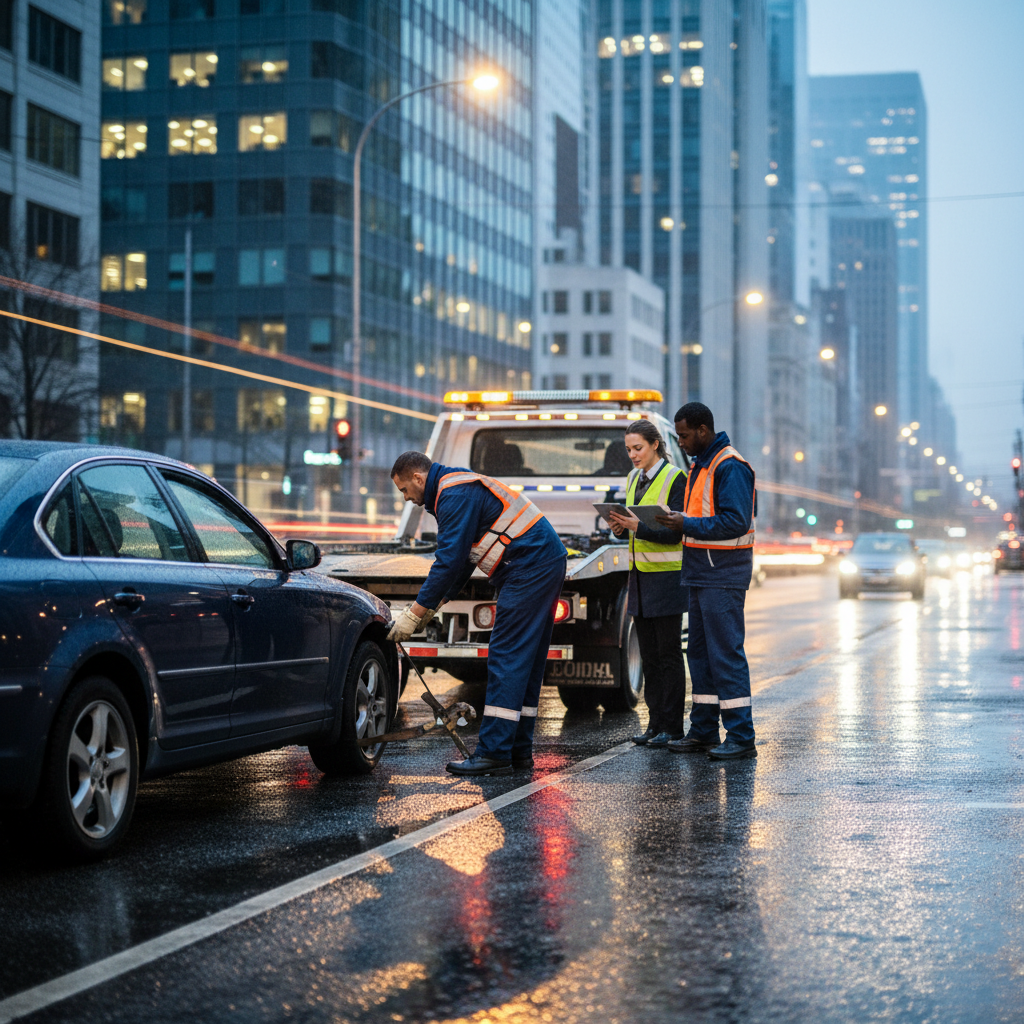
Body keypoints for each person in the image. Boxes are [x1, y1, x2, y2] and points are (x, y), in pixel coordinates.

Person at [388, 451, 567, 777]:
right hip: (538, 563)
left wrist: (414, 614)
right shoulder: (454, 488)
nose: (406, 498)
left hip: (529, 567)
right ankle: (517, 751)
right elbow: (465, 560)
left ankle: (494, 754)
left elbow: (449, 561)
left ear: (417, 477)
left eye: (404, 490)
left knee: (506, 658)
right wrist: (436, 605)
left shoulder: (452, 494)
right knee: (524, 664)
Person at [654, 402, 758, 760]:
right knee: (699, 654)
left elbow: (736, 521)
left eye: (683, 435)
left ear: (702, 430)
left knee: (725, 654)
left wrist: (686, 523)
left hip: (723, 575)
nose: (680, 441)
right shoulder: (702, 465)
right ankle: (703, 730)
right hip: (701, 574)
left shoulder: (729, 466)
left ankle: (741, 735)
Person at [606, 420, 689, 748]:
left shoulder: (675, 478)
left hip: (667, 579)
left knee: (668, 655)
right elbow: (633, 527)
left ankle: (673, 727)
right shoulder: (631, 478)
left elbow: (677, 531)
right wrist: (619, 528)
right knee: (651, 657)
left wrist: (638, 528)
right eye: (628, 449)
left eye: (638, 448)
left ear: (656, 444)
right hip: (639, 578)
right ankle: (655, 724)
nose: (633, 455)